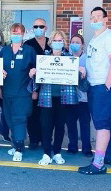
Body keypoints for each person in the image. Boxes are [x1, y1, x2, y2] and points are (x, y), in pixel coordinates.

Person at [28, 30, 88, 165]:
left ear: (64, 43)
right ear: (51, 43)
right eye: (55, 40)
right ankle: (46, 154)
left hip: (64, 98)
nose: (57, 43)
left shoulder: (70, 59)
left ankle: (57, 152)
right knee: (46, 127)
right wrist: (33, 74)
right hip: (46, 97)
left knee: (60, 127)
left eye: (60, 40)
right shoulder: (43, 58)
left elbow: (82, 86)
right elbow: (36, 83)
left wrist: (82, 74)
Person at [79, 6, 111, 175]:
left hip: (104, 86)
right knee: (102, 121)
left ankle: (98, 164)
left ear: (106, 19)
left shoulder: (110, 37)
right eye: (93, 17)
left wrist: (108, 85)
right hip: (94, 84)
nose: (96, 19)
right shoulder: (95, 39)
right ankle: (110, 156)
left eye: (99, 16)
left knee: (101, 123)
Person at [0, 23, 37, 162]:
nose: (16, 35)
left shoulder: (29, 50)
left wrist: (34, 87)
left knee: (19, 120)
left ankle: (20, 148)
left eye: (18, 33)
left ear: (23, 34)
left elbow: (37, 70)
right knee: (9, 120)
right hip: (7, 92)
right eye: (13, 33)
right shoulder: (5, 51)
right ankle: (16, 144)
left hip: (23, 93)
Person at [23, 18, 51, 150]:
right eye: (35, 26)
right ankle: (33, 139)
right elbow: (26, 67)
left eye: (41, 26)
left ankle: (46, 139)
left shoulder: (53, 43)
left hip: (50, 87)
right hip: (33, 86)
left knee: (47, 115)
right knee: (33, 114)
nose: (38, 29)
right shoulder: (28, 45)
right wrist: (34, 89)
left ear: (46, 28)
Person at [66, 34, 93, 157]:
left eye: (77, 42)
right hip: (70, 97)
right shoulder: (66, 58)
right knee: (71, 123)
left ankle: (87, 148)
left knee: (85, 124)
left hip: (84, 98)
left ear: (82, 45)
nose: (75, 44)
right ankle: (72, 146)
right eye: (73, 42)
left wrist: (84, 74)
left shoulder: (88, 59)